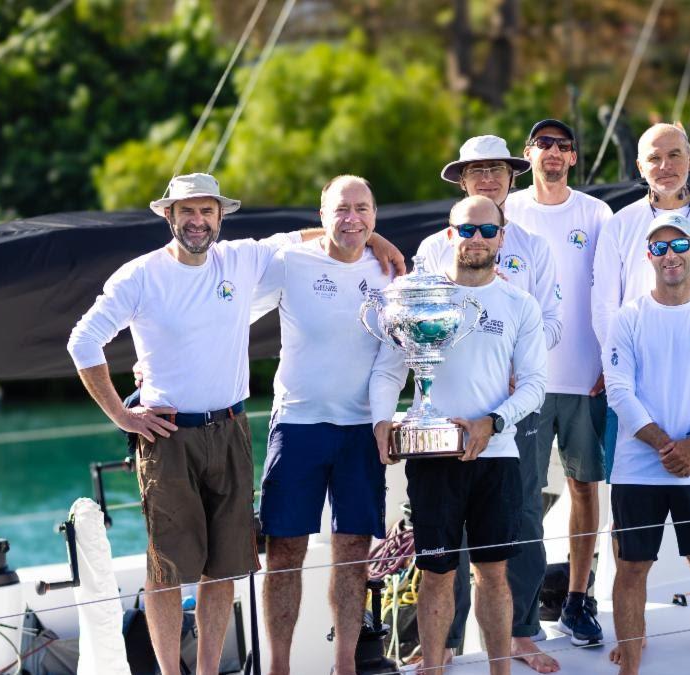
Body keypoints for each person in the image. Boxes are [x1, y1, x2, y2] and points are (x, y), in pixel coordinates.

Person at [67, 173, 401, 675]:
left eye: (206, 212)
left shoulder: (245, 258)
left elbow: (329, 231)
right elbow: (82, 342)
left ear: (220, 216)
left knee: (224, 567)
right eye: (187, 212)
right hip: (168, 435)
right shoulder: (140, 275)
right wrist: (122, 414)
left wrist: (373, 236)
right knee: (167, 570)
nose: (197, 222)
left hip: (231, 429)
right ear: (168, 216)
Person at [590, 123, 690, 665]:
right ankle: (631, 651)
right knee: (631, 562)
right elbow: (603, 303)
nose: (665, 165)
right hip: (639, 416)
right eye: (654, 157)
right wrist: (657, 435)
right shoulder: (621, 227)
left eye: (675, 154)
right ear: (640, 166)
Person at [370, 195, 547, 675]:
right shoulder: (416, 297)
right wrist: (382, 420)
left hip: (497, 453)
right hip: (431, 456)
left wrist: (493, 422)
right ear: (450, 234)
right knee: (435, 573)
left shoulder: (519, 304)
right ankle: (431, 668)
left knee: (493, 575)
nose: (476, 239)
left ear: (502, 238)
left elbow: (534, 385)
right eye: (466, 230)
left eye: (487, 231)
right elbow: (388, 372)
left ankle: (500, 671)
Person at [252, 175, 409, 675]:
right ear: (320, 215)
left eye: (362, 209)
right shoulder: (290, 262)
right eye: (341, 209)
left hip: (360, 430)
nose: (352, 219)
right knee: (283, 553)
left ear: (376, 214)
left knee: (352, 552)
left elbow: (395, 357)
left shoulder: (391, 275)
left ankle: (345, 665)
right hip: (297, 426)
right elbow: (228, 301)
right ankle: (279, 668)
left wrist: (384, 418)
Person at [419, 134, 563, 670]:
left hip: (511, 404)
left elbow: (549, 320)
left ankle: (522, 634)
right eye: (475, 171)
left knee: (522, 515)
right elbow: (414, 323)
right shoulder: (436, 246)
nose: (486, 179)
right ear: (461, 180)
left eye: (496, 171)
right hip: (443, 412)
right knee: (439, 541)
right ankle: (447, 642)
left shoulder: (536, 248)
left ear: (511, 177)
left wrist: (512, 370)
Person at [505, 119, 614, 655]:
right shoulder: (506, 212)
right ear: (527, 154)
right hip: (523, 380)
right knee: (523, 496)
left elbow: (612, 291)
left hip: (584, 377)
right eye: (543, 144)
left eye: (562, 146)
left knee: (584, 488)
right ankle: (522, 616)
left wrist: (610, 362)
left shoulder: (596, 214)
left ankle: (578, 598)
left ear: (573, 158)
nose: (552, 152)